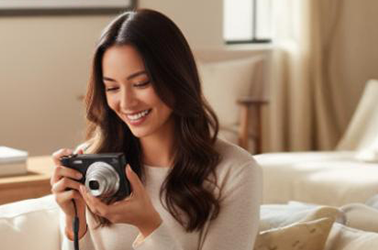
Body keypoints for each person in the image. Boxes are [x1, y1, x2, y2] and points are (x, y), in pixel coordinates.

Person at [50, 9, 263, 250]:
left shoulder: (235, 171)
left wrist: (149, 225)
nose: (127, 102)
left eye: (141, 83)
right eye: (112, 88)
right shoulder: (94, 163)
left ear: (176, 77)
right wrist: (73, 223)